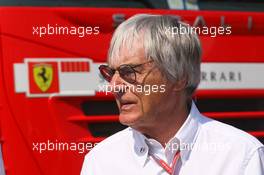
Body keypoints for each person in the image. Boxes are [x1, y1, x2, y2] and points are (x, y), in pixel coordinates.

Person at [81, 14, 264, 175]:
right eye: (111, 73)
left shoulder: (241, 155)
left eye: (129, 71)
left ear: (179, 78)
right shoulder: (100, 161)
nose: (114, 86)